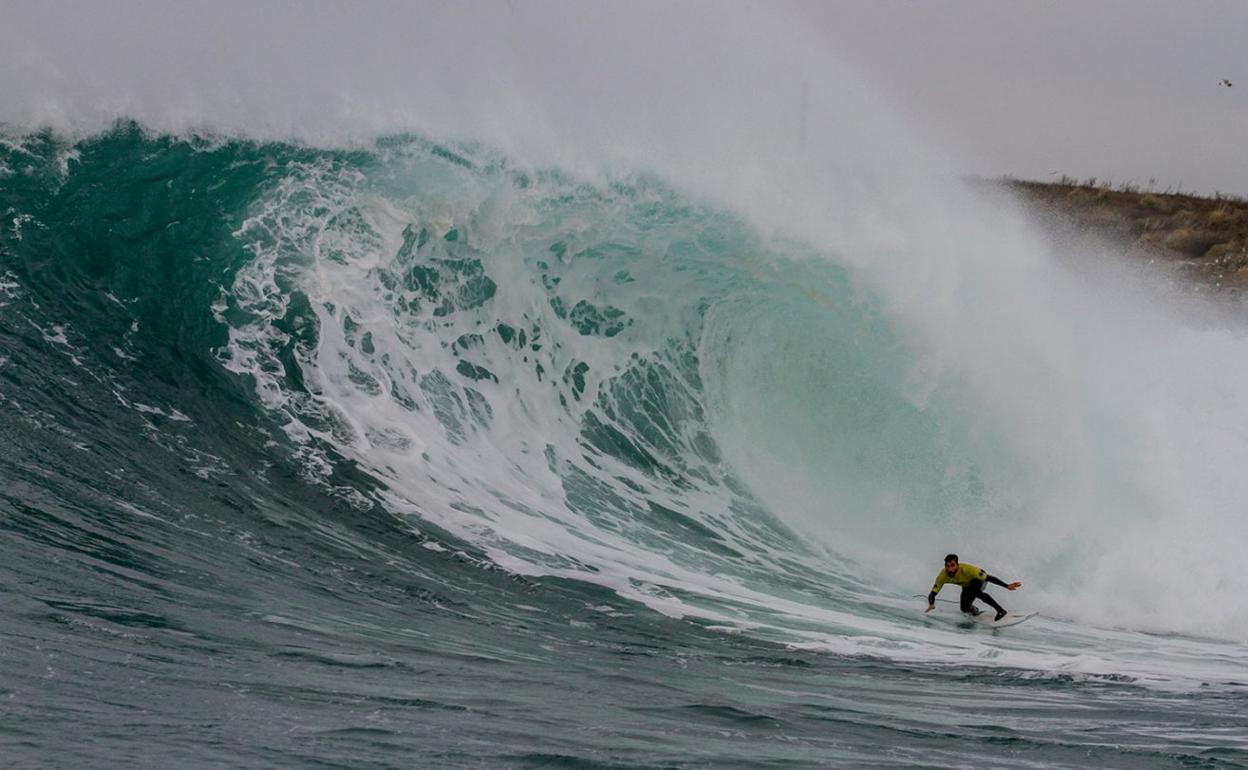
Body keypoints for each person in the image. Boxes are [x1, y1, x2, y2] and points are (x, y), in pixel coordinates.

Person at [924, 553, 1021, 621]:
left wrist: (1007, 586)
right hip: (966, 586)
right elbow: (933, 592)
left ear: (957, 565)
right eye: (947, 566)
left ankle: (1001, 611)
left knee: (976, 592)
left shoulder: (968, 569)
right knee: (964, 608)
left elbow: (988, 577)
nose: (950, 569)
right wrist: (931, 604)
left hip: (979, 581)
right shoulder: (943, 575)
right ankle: (976, 612)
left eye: (952, 565)